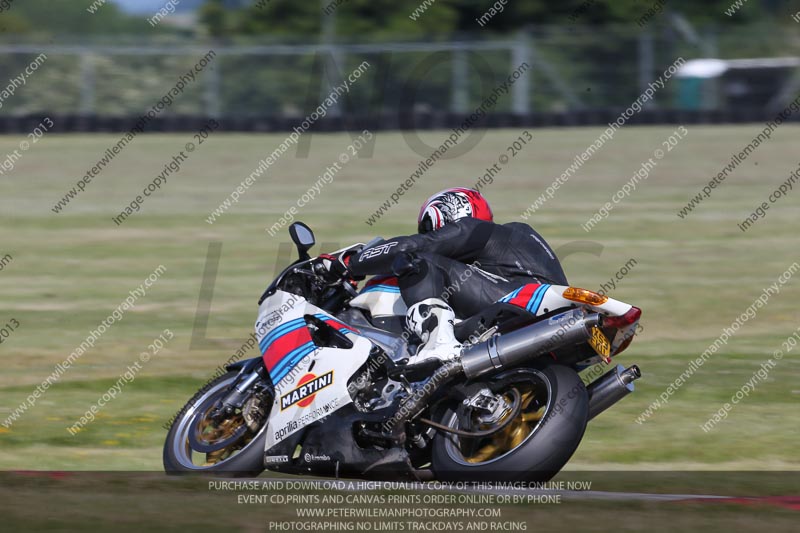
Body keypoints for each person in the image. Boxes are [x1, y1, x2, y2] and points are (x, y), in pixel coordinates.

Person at [324, 188, 567, 366]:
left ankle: (438, 343)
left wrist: (346, 264)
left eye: (434, 228)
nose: (437, 234)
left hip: (520, 301)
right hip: (549, 324)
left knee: (419, 259)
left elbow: (411, 247)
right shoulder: (511, 240)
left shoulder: (475, 229)